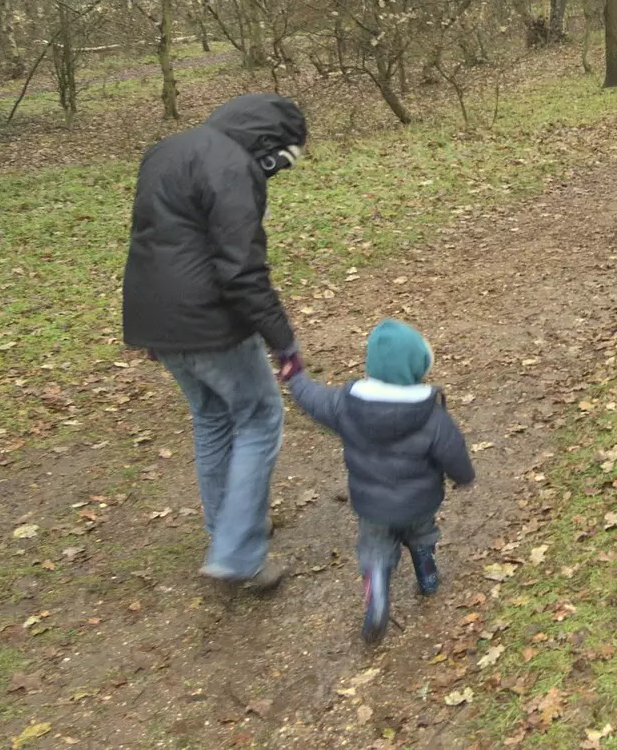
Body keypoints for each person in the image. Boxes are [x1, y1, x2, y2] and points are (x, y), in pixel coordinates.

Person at [122, 93, 308, 593]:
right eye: (280, 162)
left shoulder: (168, 149)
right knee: (259, 417)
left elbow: (160, 240)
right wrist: (282, 341)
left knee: (211, 417)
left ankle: (227, 530)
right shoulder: (233, 166)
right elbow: (242, 270)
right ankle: (237, 554)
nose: (276, 174)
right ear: (268, 144)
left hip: (153, 317)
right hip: (206, 320)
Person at [283, 319, 476, 643]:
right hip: (419, 503)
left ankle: (376, 592)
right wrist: (464, 477)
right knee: (422, 535)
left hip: (371, 508)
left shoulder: (346, 404)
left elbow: (312, 399)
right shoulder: (431, 415)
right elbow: (453, 451)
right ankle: (427, 574)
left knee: (375, 549)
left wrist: (295, 378)